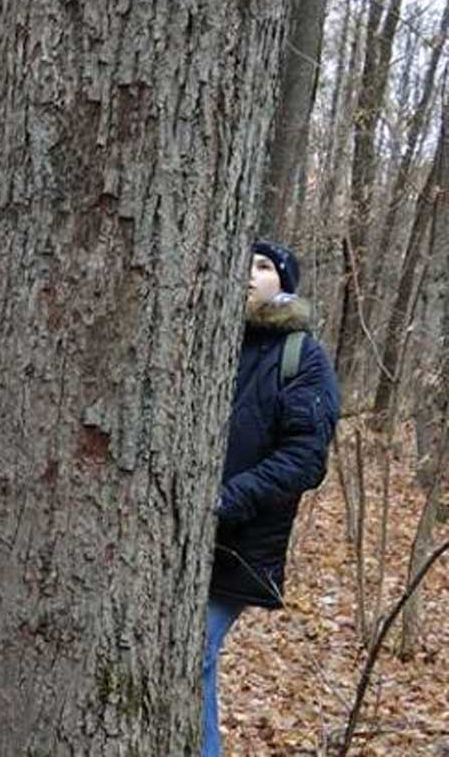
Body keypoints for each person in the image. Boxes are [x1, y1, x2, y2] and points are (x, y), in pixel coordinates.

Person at [202, 241, 340, 756]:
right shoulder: (213, 340)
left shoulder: (302, 357)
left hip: (239, 544)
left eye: (263, 266)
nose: (250, 273)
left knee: (192, 656)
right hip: (188, 533)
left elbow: (306, 459)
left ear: (284, 284)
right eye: (243, 262)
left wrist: (226, 500)